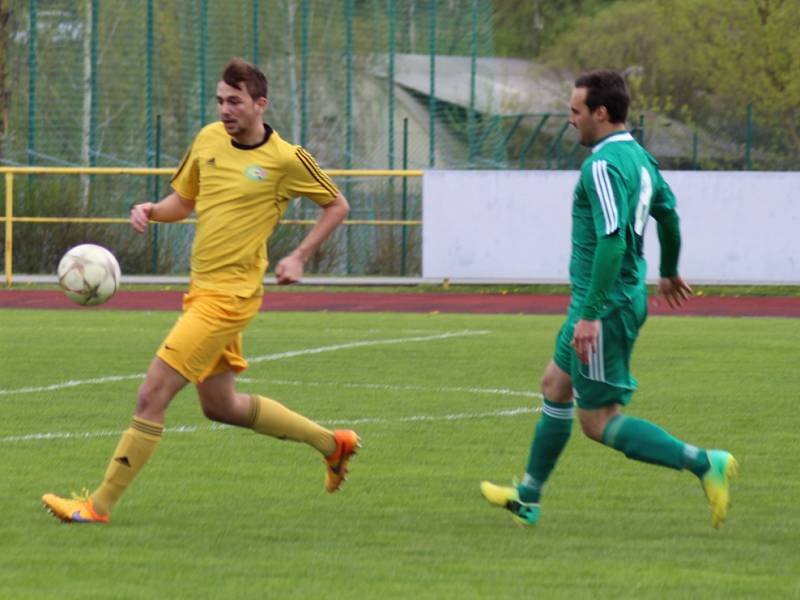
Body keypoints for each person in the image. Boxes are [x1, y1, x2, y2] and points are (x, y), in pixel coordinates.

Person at [42, 58, 359, 524]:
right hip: (201, 290)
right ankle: (333, 445)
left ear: (259, 104)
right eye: (220, 101)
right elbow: (185, 202)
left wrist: (300, 255)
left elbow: (337, 204)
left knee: (152, 394)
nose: (225, 110)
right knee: (221, 406)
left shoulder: (286, 159)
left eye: (234, 101)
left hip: (229, 299)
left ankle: (97, 506)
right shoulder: (208, 140)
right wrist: (152, 209)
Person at [480, 70, 737, 529]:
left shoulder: (600, 165)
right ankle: (529, 497)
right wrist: (670, 269)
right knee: (555, 386)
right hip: (609, 300)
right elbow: (670, 217)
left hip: (605, 305)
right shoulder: (640, 158)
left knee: (598, 422)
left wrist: (592, 314)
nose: (569, 120)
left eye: (575, 112)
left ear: (601, 112)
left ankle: (703, 463)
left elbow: (613, 240)